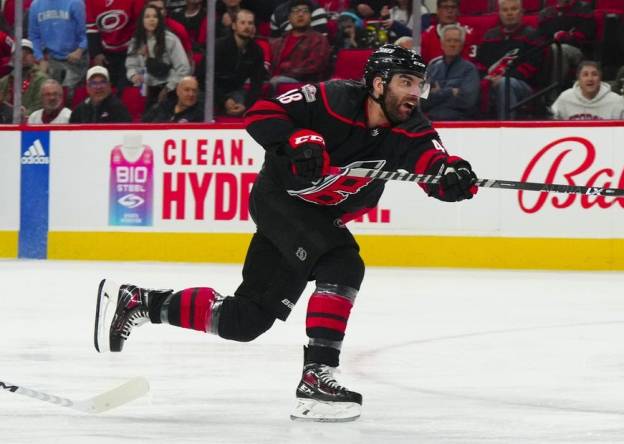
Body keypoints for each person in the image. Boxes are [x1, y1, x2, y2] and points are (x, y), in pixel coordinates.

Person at [93, 44, 478, 423]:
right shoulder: (332, 99)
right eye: (406, 82)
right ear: (378, 83)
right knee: (342, 262)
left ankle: (141, 302)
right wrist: (295, 140)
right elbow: (263, 112)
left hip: (316, 219)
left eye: (419, 85)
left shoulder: (412, 126)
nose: (414, 93)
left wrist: (452, 176)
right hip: (279, 200)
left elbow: (434, 164)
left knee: (245, 321)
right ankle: (317, 377)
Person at [477, 0, 545, 120]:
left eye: (513, 9)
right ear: (499, 13)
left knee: (505, 83)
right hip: (493, 81)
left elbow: (534, 67)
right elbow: (480, 64)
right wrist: (485, 77)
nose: (509, 13)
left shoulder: (533, 35)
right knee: (471, 83)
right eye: (505, 10)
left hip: (524, 86)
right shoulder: (489, 36)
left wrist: (504, 77)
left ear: (521, 13)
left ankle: (506, 126)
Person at [196, 9, 266, 117]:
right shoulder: (218, 46)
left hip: (235, 90)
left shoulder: (256, 51)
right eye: (242, 23)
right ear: (234, 26)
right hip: (210, 90)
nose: (247, 26)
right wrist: (224, 100)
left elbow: (257, 83)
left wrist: (246, 105)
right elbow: (202, 76)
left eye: (250, 23)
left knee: (242, 108)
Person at [125, 5, 191, 109]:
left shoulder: (170, 39)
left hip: (170, 88)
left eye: (155, 16)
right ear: (141, 20)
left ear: (159, 20)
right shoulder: (136, 41)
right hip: (148, 89)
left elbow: (184, 68)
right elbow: (131, 66)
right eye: (147, 17)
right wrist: (134, 76)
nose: (151, 20)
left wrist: (168, 89)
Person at [27, 0, 88, 93]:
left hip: (75, 58)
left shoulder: (76, 3)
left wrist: (80, 50)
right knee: (50, 94)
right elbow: (34, 36)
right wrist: (40, 58)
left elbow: (86, 32)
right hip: (51, 59)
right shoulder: (35, 5)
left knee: (69, 95)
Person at [422, 24, 480, 120]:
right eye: (448, 41)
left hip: (459, 123)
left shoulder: (469, 69)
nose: (452, 44)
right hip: (432, 122)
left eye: (456, 41)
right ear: (442, 44)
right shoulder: (432, 68)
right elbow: (422, 101)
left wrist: (436, 94)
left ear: (462, 45)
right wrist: (451, 92)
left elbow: (468, 101)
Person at [86, 0, 146, 92]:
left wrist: (140, 44)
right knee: (106, 89)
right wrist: (96, 53)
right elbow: (91, 27)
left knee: (125, 89)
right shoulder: (90, 2)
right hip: (105, 53)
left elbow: (141, 22)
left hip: (129, 51)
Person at [268, 1, 331, 88]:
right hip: (274, 79)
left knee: (277, 82)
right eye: (295, 11)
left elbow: (315, 66)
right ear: (289, 17)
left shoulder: (319, 39)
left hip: (303, 84)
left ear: (310, 17)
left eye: (305, 11)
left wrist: (287, 69)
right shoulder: (279, 41)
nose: (300, 14)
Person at [551, 60, 624, 120]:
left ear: (600, 78)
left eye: (594, 74)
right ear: (578, 78)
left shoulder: (617, 101)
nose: (590, 79)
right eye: (585, 75)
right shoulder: (565, 98)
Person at [0, 39, 49, 119]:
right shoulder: (4, 81)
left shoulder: (41, 79)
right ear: (12, 58)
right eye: (19, 53)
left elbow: (40, 105)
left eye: (27, 53)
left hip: (31, 122)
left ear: (33, 57)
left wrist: (24, 113)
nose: (23, 56)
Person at [420, 0, 480, 65]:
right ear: (438, 11)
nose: (450, 11)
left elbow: (471, 64)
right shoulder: (426, 36)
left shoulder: (469, 34)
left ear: (458, 11)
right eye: (445, 7)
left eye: (453, 7)